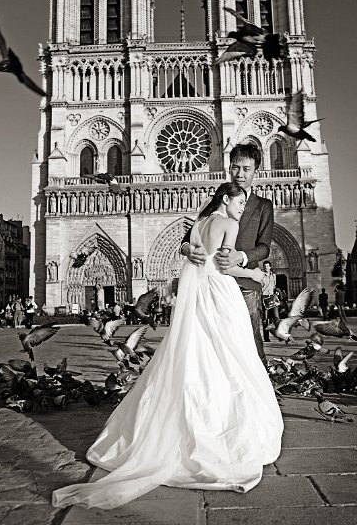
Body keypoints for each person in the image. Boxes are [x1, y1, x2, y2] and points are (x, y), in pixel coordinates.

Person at [52, 182, 283, 510]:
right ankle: (216, 430)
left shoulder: (201, 222)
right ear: (227, 199)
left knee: (197, 356)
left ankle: (178, 427)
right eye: (240, 200)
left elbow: (190, 254)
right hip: (221, 294)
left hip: (200, 297)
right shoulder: (228, 224)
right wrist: (258, 276)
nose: (243, 208)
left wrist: (192, 251)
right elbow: (225, 266)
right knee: (231, 357)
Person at [181, 143, 273, 364]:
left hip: (244, 287)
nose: (240, 174)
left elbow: (264, 247)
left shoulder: (263, 206)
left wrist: (240, 257)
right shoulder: (216, 201)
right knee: (213, 345)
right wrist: (187, 250)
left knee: (251, 345)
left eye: (246, 168)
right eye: (235, 167)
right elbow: (188, 238)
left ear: (255, 171)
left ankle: (260, 394)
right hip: (213, 286)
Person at [261, 261, 278, 341]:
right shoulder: (261, 276)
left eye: (267, 266)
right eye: (264, 266)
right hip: (264, 297)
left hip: (272, 297)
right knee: (265, 319)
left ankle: (279, 334)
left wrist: (276, 293)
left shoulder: (274, 276)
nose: (266, 268)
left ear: (270, 267)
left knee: (276, 317)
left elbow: (274, 286)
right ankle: (266, 337)